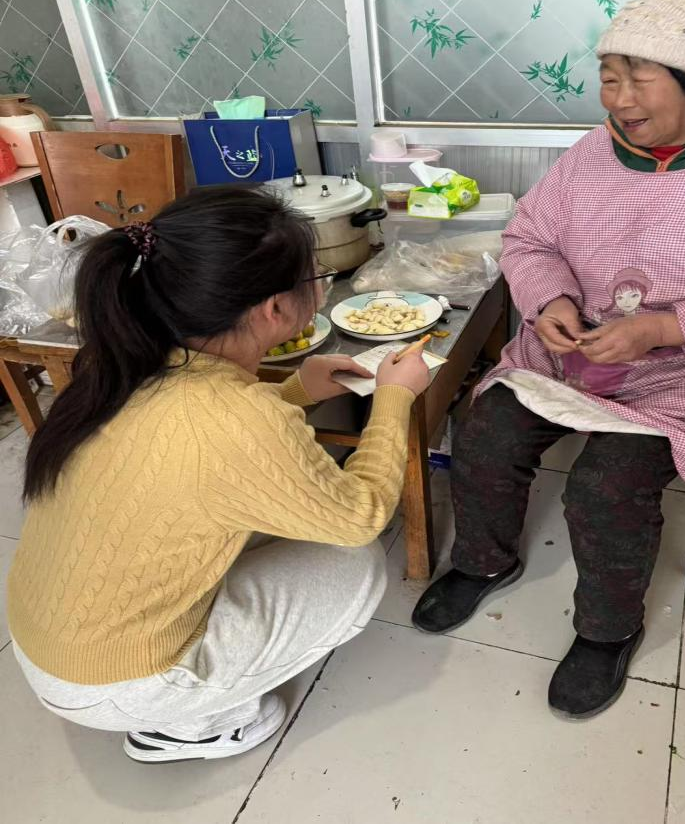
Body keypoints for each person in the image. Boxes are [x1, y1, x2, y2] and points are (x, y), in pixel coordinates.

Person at [412, 0, 685, 718]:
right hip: (574, 350)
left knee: (605, 486)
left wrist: (663, 329)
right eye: (609, 77)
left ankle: (607, 631)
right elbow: (530, 238)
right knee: (485, 434)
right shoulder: (597, 151)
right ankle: (483, 562)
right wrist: (551, 302)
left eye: (640, 80)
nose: (619, 100)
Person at [7, 185, 429, 762]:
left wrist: (297, 390)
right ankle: (193, 725)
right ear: (274, 310)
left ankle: (166, 700)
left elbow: (204, 450)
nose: (320, 289)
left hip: (54, 640)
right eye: (316, 279)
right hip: (114, 679)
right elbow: (361, 516)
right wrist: (395, 398)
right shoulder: (234, 417)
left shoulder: (123, 359)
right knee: (354, 564)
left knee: (268, 514)